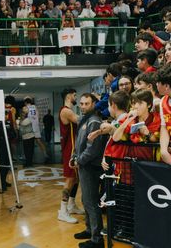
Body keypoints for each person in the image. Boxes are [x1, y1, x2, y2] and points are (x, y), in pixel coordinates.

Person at [72, 93, 107, 248]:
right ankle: (89, 229)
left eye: (87, 103)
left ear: (93, 104)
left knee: (91, 202)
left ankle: (97, 239)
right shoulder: (84, 120)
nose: (83, 106)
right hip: (84, 165)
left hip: (91, 167)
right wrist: (73, 156)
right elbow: (79, 143)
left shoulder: (94, 121)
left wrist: (78, 160)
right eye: (81, 103)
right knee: (86, 200)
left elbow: (93, 149)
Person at [58, 88, 84, 224]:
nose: (76, 97)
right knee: (69, 180)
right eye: (75, 95)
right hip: (70, 149)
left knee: (76, 179)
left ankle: (72, 205)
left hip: (74, 148)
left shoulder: (69, 110)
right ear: (68, 96)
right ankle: (62, 211)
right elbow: (82, 121)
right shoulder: (66, 111)